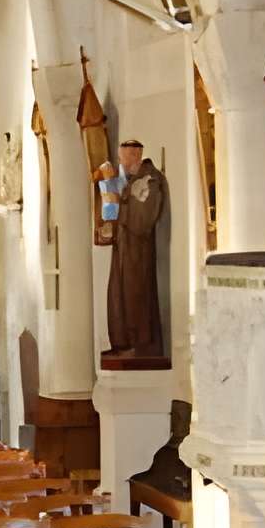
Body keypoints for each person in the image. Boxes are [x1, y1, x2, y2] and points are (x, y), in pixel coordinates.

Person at [102, 137, 169, 365]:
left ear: (135, 156)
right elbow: (109, 213)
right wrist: (108, 184)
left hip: (138, 252)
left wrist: (119, 208)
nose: (121, 163)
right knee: (119, 296)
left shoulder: (150, 181)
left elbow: (142, 220)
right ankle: (123, 344)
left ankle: (139, 345)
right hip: (123, 248)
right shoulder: (128, 181)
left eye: (123, 158)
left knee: (136, 295)